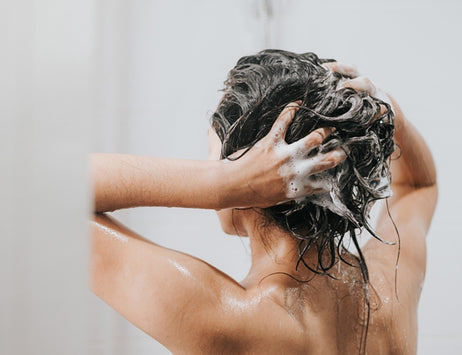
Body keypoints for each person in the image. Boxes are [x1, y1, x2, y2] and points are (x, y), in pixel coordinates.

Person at [90, 50, 437, 354]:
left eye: (215, 156)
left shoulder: (228, 318)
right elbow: (420, 185)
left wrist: (221, 183)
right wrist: (392, 115)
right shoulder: (389, 288)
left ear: (250, 177)